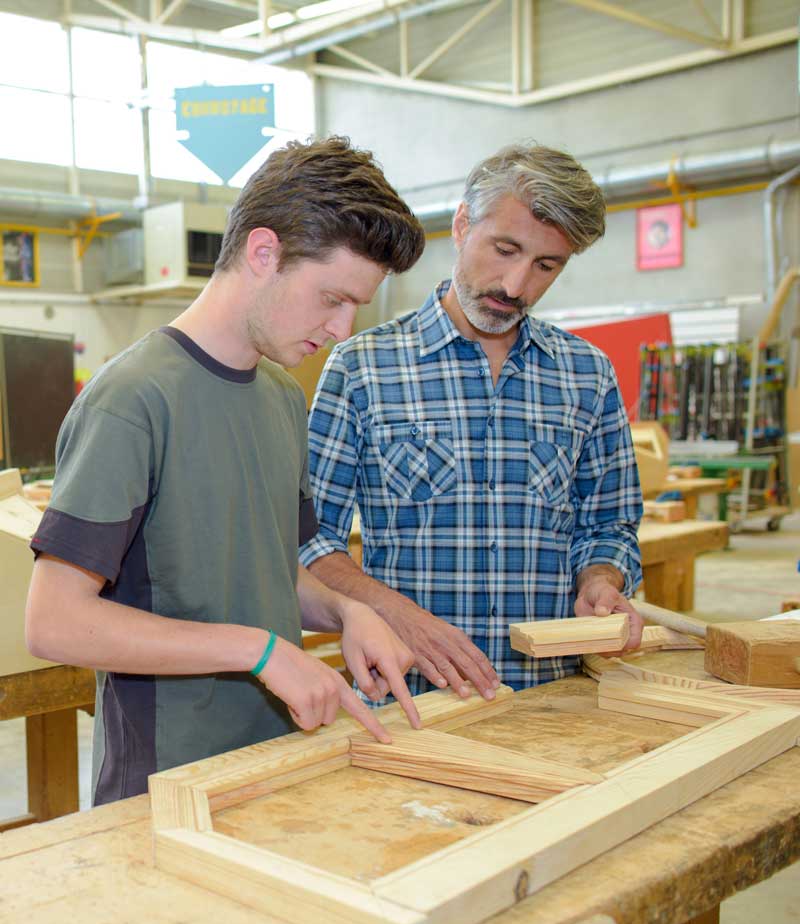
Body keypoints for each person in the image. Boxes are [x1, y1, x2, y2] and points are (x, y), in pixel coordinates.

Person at [25, 136, 426, 806]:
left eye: (355, 306)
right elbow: (54, 623)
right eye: (332, 298)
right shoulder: (134, 400)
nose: (342, 328)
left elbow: (267, 571)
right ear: (263, 253)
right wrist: (259, 651)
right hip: (166, 790)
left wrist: (346, 610)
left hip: (279, 762)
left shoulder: (282, 398)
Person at [300, 141, 644, 702]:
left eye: (546, 266)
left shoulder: (587, 374)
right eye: (505, 249)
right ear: (462, 225)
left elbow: (608, 525)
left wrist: (601, 580)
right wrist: (396, 615)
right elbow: (310, 539)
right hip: (414, 700)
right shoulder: (362, 369)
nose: (515, 286)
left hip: (553, 700)